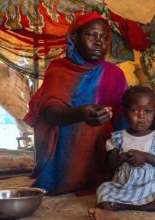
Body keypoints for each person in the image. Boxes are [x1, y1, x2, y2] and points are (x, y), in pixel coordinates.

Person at [23, 13, 128, 195]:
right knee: (85, 127)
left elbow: (123, 120)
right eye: (91, 35)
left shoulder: (114, 74)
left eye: (104, 37)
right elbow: (49, 113)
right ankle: (66, 177)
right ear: (75, 38)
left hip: (104, 151)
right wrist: (80, 114)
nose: (99, 42)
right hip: (62, 147)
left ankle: (105, 173)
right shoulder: (59, 69)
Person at [88, 86, 155, 220]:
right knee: (103, 191)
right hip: (124, 184)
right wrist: (123, 157)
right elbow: (111, 164)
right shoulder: (119, 137)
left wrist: (146, 156)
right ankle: (110, 210)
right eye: (134, 110)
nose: (141, 116)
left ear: (154, 111)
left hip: (151, 184)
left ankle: (121, 206)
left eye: (148, 111)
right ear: (124, 112)